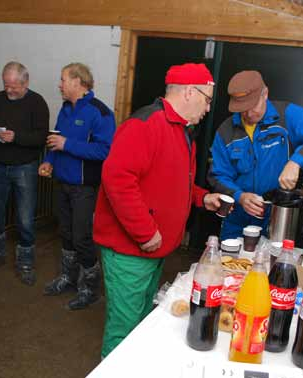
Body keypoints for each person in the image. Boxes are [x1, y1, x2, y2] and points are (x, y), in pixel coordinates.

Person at [93, 63, 225, 358]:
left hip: (153, 248)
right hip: (131, 250)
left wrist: (202, 198)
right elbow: (117, 179)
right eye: (207, 99)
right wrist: (144, 231)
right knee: (124, 328)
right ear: (190, 91)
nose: (207, 108)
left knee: (141, 322)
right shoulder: (145, 124)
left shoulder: (181, 130)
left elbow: (174, 182)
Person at [208, 70, 303, 240]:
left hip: (277, 217)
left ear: (265, 94)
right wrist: (240, 196)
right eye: (242, 109)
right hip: (237, 218)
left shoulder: (286, 116)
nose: (248, 114)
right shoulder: (225, 131)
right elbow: (219, 176)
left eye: (252, 106)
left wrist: (295, 162)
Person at [40, 63, 115, 310]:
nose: (60, 85)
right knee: (65, 233)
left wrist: (67, 144)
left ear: (77, 82)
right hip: (62, 182)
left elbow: (105, 150)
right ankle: (68, 278)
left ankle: (89, 289)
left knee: (82, 238)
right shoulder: (64, 109)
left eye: (63, 80)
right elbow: (55, 140)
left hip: (85, 187)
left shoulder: (100, 112)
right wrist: (49, 162)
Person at [0, 61, 49, 286]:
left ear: (26, 82)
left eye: (14, 86)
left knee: (25, 218)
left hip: (25, 167)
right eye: (6, 85)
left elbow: (41, 138)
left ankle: (26, 262)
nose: (9, 90)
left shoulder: (37, 103)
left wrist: (16, 137)